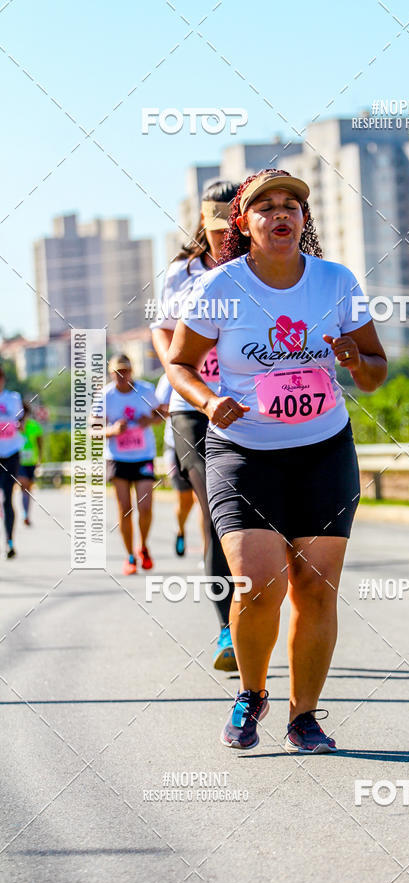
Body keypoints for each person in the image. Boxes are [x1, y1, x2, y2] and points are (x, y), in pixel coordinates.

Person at [167, 169, 387, 752]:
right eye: (265, 207)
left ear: (303, 220)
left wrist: (354, 361)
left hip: (323, 450)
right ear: (243, 222)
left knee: (315, 590)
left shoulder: (335, 281)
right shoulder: (218, 287)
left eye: (291, 204)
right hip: (245, 452)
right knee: (257, 586)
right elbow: (179, 363)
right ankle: (252, 693)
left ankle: (304, 715)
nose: (281, 213)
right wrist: (211, 402)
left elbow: (374, 370)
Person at [151, 179, 240, 671]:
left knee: (262, 521)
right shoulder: (181, 274)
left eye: (234, 229)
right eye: (218, 228)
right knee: (216, 513)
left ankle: (258, 609)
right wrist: (177, 373)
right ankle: (227, 629)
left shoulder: (257, 269)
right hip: (193, 409)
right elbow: (162, 329)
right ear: (203, 225)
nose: (226, 238)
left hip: (250, 405)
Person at [93, 354, 162, 575]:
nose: (122, 376)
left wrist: (149, 420)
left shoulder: (146, 391)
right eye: (117, 372)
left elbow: (162, 414)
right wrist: (112, 431)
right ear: (111, 374)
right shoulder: (104, 396)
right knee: (124, 509)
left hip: (143, 455)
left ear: (132, 371)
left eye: (126, 371)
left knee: (145, 507)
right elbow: (93, 430)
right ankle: (130, 556)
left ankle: (143, 546)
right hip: (117, 457)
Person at [155, 372, 198, 558]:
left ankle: (210, 555)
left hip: (203, 444)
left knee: (203, 500)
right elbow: (156, 410)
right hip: (175, 446)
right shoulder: (169, 376)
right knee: (184, 500)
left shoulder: (213, 368)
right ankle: (180, 530)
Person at [0, 365, 24, 559]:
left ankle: (9, 541)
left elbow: (21, 421)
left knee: (7, 498)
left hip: (11, 453)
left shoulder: (13, 398)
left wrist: (18, 424)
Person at [18, 401, 44, 526]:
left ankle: (26, 514)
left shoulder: (34, 426)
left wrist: (40, 459)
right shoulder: (14, 426)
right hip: (18, 461)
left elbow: (40, 443)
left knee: (27, 489)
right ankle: (23, 513)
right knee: (23, 483)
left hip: (31, 461)